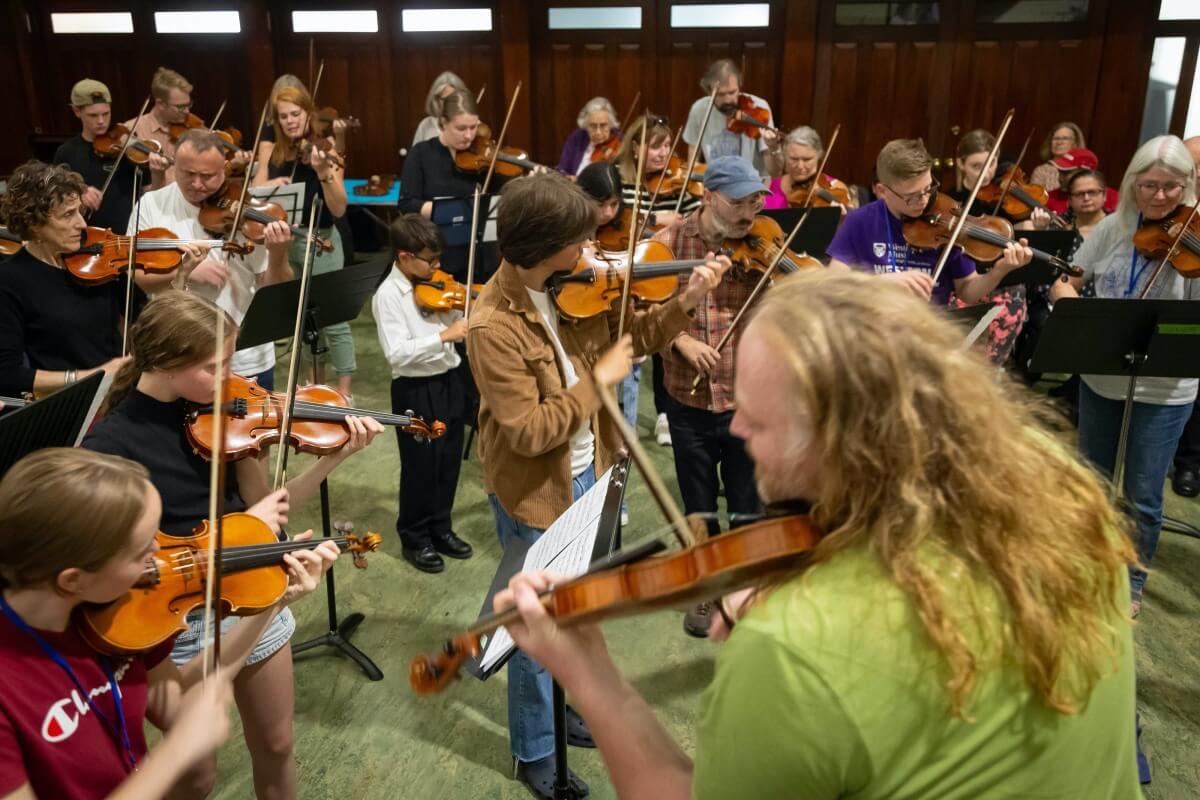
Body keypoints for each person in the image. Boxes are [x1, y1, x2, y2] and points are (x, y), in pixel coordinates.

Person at [496, 268, 1142, 800]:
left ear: (843, 440)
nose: (739, 430)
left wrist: (591, 675)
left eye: (757, 415)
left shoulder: (791, 650)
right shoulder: (1058, 485)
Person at [466, 172, 728, 799]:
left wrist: (686, 300)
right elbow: (530, 432)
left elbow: (635, 337)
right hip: (538, 489)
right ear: (541, 247)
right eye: (579, 242)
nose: (592, 253)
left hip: (593, 468)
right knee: (535, 630)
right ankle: (535, 749)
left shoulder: (574, 288)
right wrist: (603, 379)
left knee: (579, 610)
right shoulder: (491, 327)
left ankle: (569, 706)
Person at [82, 290, 383, 799]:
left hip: (257, 589)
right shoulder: (110, 447)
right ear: (164, 363)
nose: (229, 379)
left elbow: (271, 512)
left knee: (278, 741)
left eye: (230, 361)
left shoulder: (226, 414)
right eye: (212, 366)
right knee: (196, 776)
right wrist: (239, 528)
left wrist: (333, 459)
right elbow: (128, 567)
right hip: (182, 622)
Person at [0, 447, 338, 800]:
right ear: (72, 580)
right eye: (142, 551)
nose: (162, 559)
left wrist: (275, 600)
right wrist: (175, 754)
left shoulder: (116, 610)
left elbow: (176, 699)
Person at [1050, 134, 1200, 619]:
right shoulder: (1112, 231)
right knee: (1091, 480)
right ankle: (1081, 566)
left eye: (1173, 188)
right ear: (1133, 183)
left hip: (1166, 388)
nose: (1159, 198)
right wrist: (1065, 300)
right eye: (1150, 185)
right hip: (1103, 377)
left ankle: (1131, 581)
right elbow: (1068, 278)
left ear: (1188, 186)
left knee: (1142, 492)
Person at [654, 156, 785, 636]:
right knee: (698, 505)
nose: (750, 213)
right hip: (687, 401)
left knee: (749, 505)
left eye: (756, 201)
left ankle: (745, 589)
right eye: (738, 202)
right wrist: (680, 340)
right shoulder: (667, 244)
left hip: (747, 400)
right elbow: (640, 310)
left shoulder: (764, 244)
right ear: (708, 197)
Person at [132, 128, 292, 388]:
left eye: (207, 176)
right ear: (174, 163)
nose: (197, 184)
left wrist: (278, 254)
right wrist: (185, 270)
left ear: (225, 169)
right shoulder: (151, 205)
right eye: (188, 174)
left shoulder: (247, 211)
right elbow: (139, 278)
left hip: (246, 356)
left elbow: (275, 290)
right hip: (178, 353)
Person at [0, 160, 157, 398]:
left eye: (80, 211)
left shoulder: (97, 258)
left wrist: (181, 277)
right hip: (69, 401)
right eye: (68, 215)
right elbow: (8, 375)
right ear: (33, 224)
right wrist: (96, 374)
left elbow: (142, 317)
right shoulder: (9, 280)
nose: (82, 224)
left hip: (120, 390)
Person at [371, 213, 474, 573]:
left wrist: (460, 306)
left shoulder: (435, 284)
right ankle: (415, 537)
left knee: (447, 462)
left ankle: (441, 528)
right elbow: (396, 353)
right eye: (430, 260)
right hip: (415, 390)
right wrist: (445, 335)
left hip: (449, 381)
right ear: (404, 256)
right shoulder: (388, 296)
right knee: (420, 469)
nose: (438, 266)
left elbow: (450, 316)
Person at [826, 138, 1033, 306]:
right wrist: (880, 282)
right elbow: (833, 287)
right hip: (873, 332)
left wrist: (999, 270)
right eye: (911, 196)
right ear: (882, 191)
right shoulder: (859, 221)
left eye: (928, 188)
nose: (924, 200)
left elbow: (967, 292)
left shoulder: (949, 223)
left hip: (928, 331)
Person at [252, 84, 355, 399]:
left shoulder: (324, 147)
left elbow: (338, 206)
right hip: (284, 241)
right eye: (283, 116)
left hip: (321, 240)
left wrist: (323, 169)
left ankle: (343, 392)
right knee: (302, 320)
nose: (290, 121)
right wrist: (271, 182)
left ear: (308, 113)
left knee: (333, 320)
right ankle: (314, 385)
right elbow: (256, 192)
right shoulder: (273, 150)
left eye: (295, 114)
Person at [578, 160, 640, 525]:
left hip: (617, 338)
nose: (607, 213)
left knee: (622, 425)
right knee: (588, 432)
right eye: (599, 204)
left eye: (614, 204)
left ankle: (617, 500)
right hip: (584, 339)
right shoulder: (567, 233)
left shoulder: (626, 227)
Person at [399, 91, 503, 284]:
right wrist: (449, 209)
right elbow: (407, 204)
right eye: (461, 128)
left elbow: (499, 198)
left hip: (481, 258)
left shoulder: (484, 157)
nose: (469, 135)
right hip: (439, 256)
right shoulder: (421, 154)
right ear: (443, 123)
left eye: (474, 127)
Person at [947, 128, 1030, 365]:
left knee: (990, 372)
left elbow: (1024, 245)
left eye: (992, 163)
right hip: (964, 292)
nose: (986, 172)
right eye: (976, 166)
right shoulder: (951, 202)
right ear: (960, 164)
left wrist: (1032, 226)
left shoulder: (1010, 202)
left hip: (1007, 293)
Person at [52, 79, 139, 234]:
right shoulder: (67, 152)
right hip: (88, 235)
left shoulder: (127, 147)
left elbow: (148, 190)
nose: (101, 121)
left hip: (130, 234)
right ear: (77, 112)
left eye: (106, 114)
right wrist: (80, 193)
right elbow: (56, 199)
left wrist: (158, 170)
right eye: (93, 115)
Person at [684, 58, 781, 178]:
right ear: (709, 91)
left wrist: (773, 148)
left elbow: (774, 172)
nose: (727, 100)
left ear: (740, 86)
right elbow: (693, 162)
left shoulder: (758, 108)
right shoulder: (699, 110)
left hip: (752, 188)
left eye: (732, 92)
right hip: (717, 187)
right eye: (720, 94)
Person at [615, 113, 702, 231]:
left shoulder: (675, 184)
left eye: (666, 145)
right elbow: (612, 218)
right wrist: (654, 219)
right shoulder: (616, 177)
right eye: (655, 147)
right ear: (635, 147)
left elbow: (697, 220)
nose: (663, 154)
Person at [1172, 134, 1200, 497]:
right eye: (1190, 167)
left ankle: (1190, 463)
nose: (1195, 174)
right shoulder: (1173, 208)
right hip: (1174, 312)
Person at [125, 66, 193, 190]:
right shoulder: (132, 130)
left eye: (189, 104)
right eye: (181, 107)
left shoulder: (191, 128)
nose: (187, 111)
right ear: (161, 104)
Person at [763, 125, 856, 213]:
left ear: (819, 155)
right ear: (785, 155)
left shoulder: (836, 188)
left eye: (807, 159)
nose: (800, 166)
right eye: (794, 159)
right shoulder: (769, 186)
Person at [1044, 148, 1119, 215]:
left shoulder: (1115, 199)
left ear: (1086, 172)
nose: (1060, 178)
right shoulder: (1048, 198)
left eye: (1066, 173)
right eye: (1060, 172)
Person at [557, 97, 621, 176]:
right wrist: (568, 178)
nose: (598, 132)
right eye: (593, 126)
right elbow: (562, 169)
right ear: (586, 125)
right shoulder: (577, 138)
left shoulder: (619, 140)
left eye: (603, 125)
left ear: (611, 124)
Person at [413, 71, 469, 145]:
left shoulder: (470, 125)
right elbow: (415, 155)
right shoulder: (425, 125)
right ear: (436, 100)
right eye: (444, 99)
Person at [1030, 121, 1086, 190]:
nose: (1059, 142)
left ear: (1075, 143)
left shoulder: (1083, 170)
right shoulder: (1041, 171)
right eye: (1056, 138)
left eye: (1065, 138)